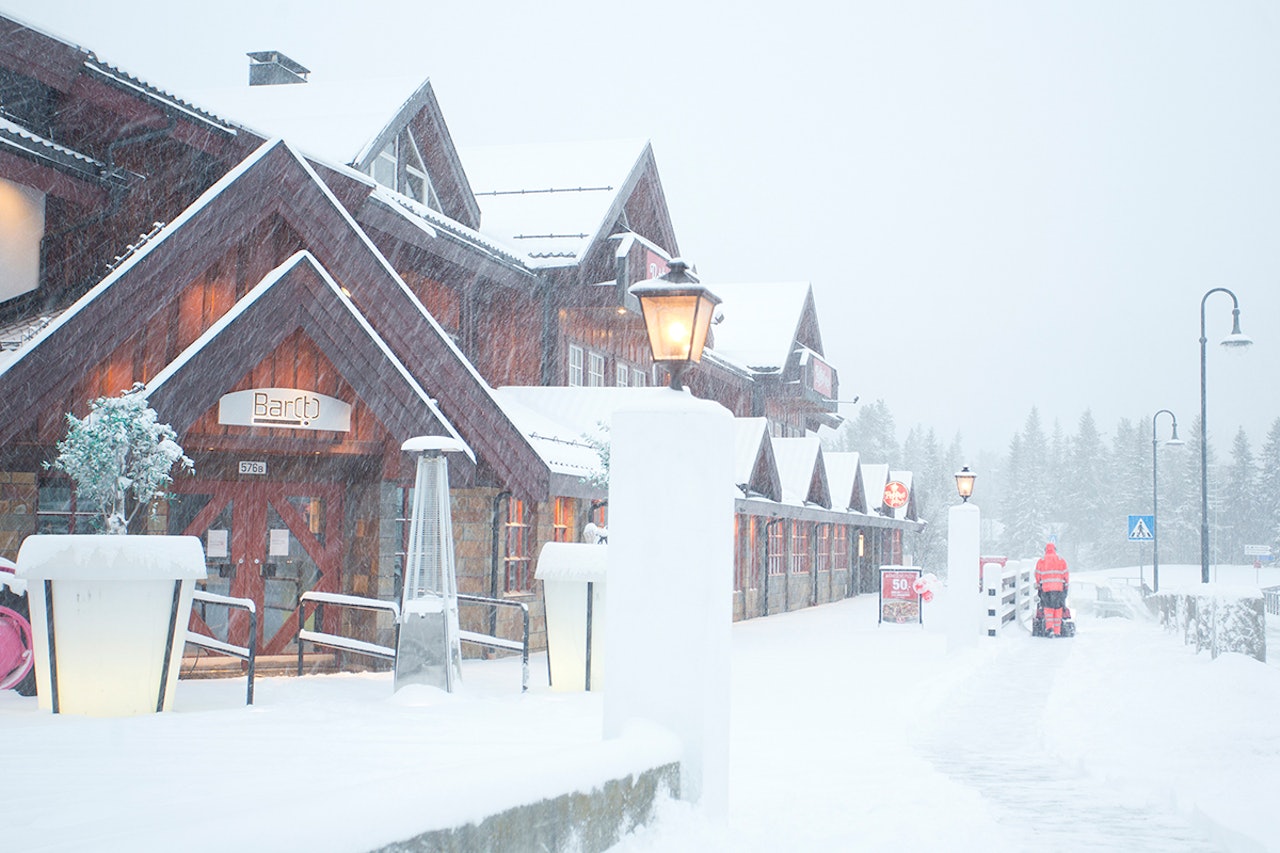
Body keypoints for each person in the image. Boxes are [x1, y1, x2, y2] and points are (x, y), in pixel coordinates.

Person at [1035, 542, 1069, 637]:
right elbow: (1066, 574)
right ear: (1055, 550)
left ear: (1046, 550)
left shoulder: (1041, 560)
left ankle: (1049, 628)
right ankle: (1058, 631)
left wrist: (1038, 584)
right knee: (1058, 609)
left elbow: (1037, 574)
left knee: (1048, 609)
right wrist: (1066, 585)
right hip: (1059, 589)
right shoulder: (1061, 560)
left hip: (1046, 590)